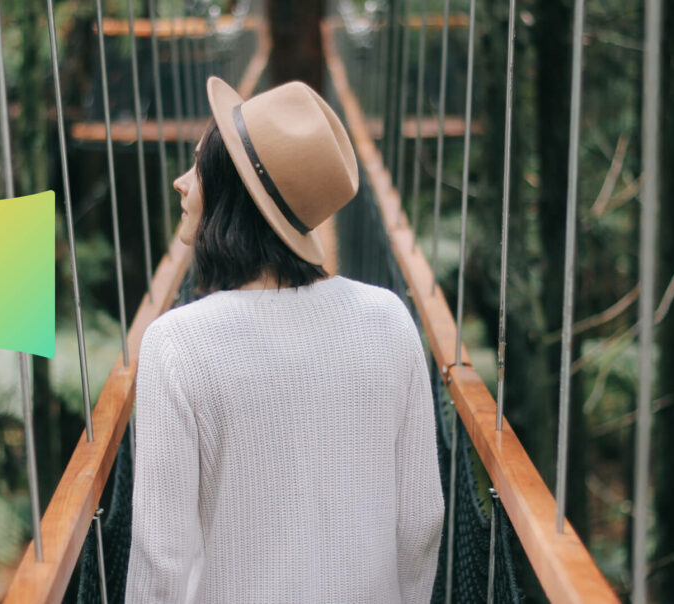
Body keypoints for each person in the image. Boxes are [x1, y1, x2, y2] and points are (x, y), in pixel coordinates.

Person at [124, 76, 445, 603]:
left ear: (230, 192)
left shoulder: (177, 344)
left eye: (199, 168)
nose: (181, 183)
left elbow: (164, 559)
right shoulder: (389, 318)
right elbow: (420, 521)